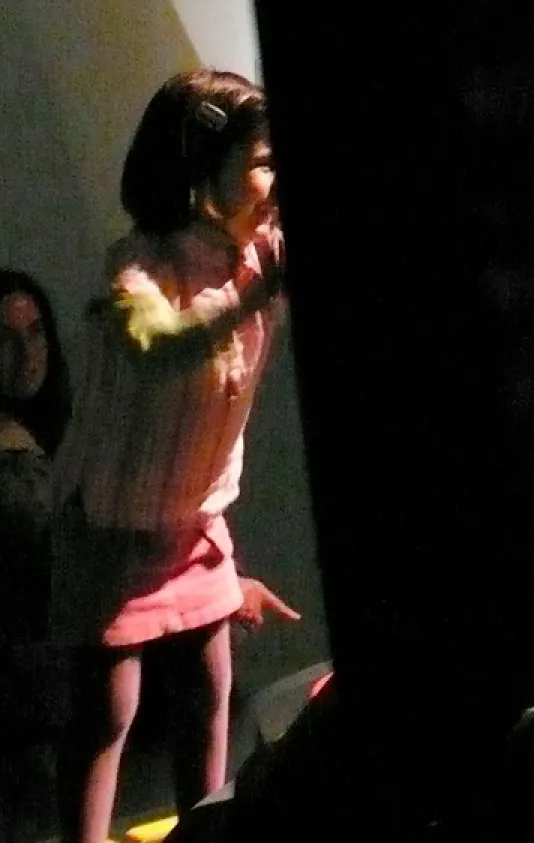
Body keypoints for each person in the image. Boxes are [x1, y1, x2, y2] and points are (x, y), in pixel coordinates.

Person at [50, 69, 300, 843]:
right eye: (262, 162)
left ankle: (206, 832)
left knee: (208, 693)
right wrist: (250, 298)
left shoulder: (262, 251)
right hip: (110, 526)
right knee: (107, 711)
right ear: (201, 166)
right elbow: (154, 343)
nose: (274, 180)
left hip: (195, 525)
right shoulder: (141, 262)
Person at [0, 268, 72, 841]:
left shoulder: (50, 440)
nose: (26, 354)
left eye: (35, 332)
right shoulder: (16, 469)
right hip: (22, 715)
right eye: (6, 338)